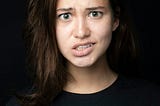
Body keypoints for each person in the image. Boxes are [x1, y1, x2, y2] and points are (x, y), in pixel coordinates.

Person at [6, 0, 160, 106]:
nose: (81, 32)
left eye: (94, 13)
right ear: (50, 25)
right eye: (65, 16)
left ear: (115, 19)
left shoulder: (151, 99)